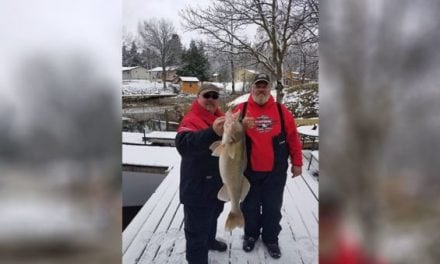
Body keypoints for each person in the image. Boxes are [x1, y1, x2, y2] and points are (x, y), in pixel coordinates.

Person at [234, 73, 303, 259]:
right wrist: (240, 125)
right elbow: (227, 133)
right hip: (249, 171)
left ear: (269, 88)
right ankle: (250, 235)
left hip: (275, 171)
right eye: (258, 86)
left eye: (265, 86)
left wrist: (297, 162)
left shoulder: (281, 111)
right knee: (250, 206)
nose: (261, 89)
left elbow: (293, 139)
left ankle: (271, 238)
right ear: (251, 88)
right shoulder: (241, 109)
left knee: (273, 207)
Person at [175, 83, 228, 264]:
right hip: (197, 188)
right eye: (207, 95)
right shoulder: (190, 119)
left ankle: (211, 241)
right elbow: (184, 145)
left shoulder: (222, 118)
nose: (211, 99)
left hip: (216, 185)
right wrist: (212, 132)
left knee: (213, 217)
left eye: (215, 96)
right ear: (198, 98)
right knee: (196, 233)